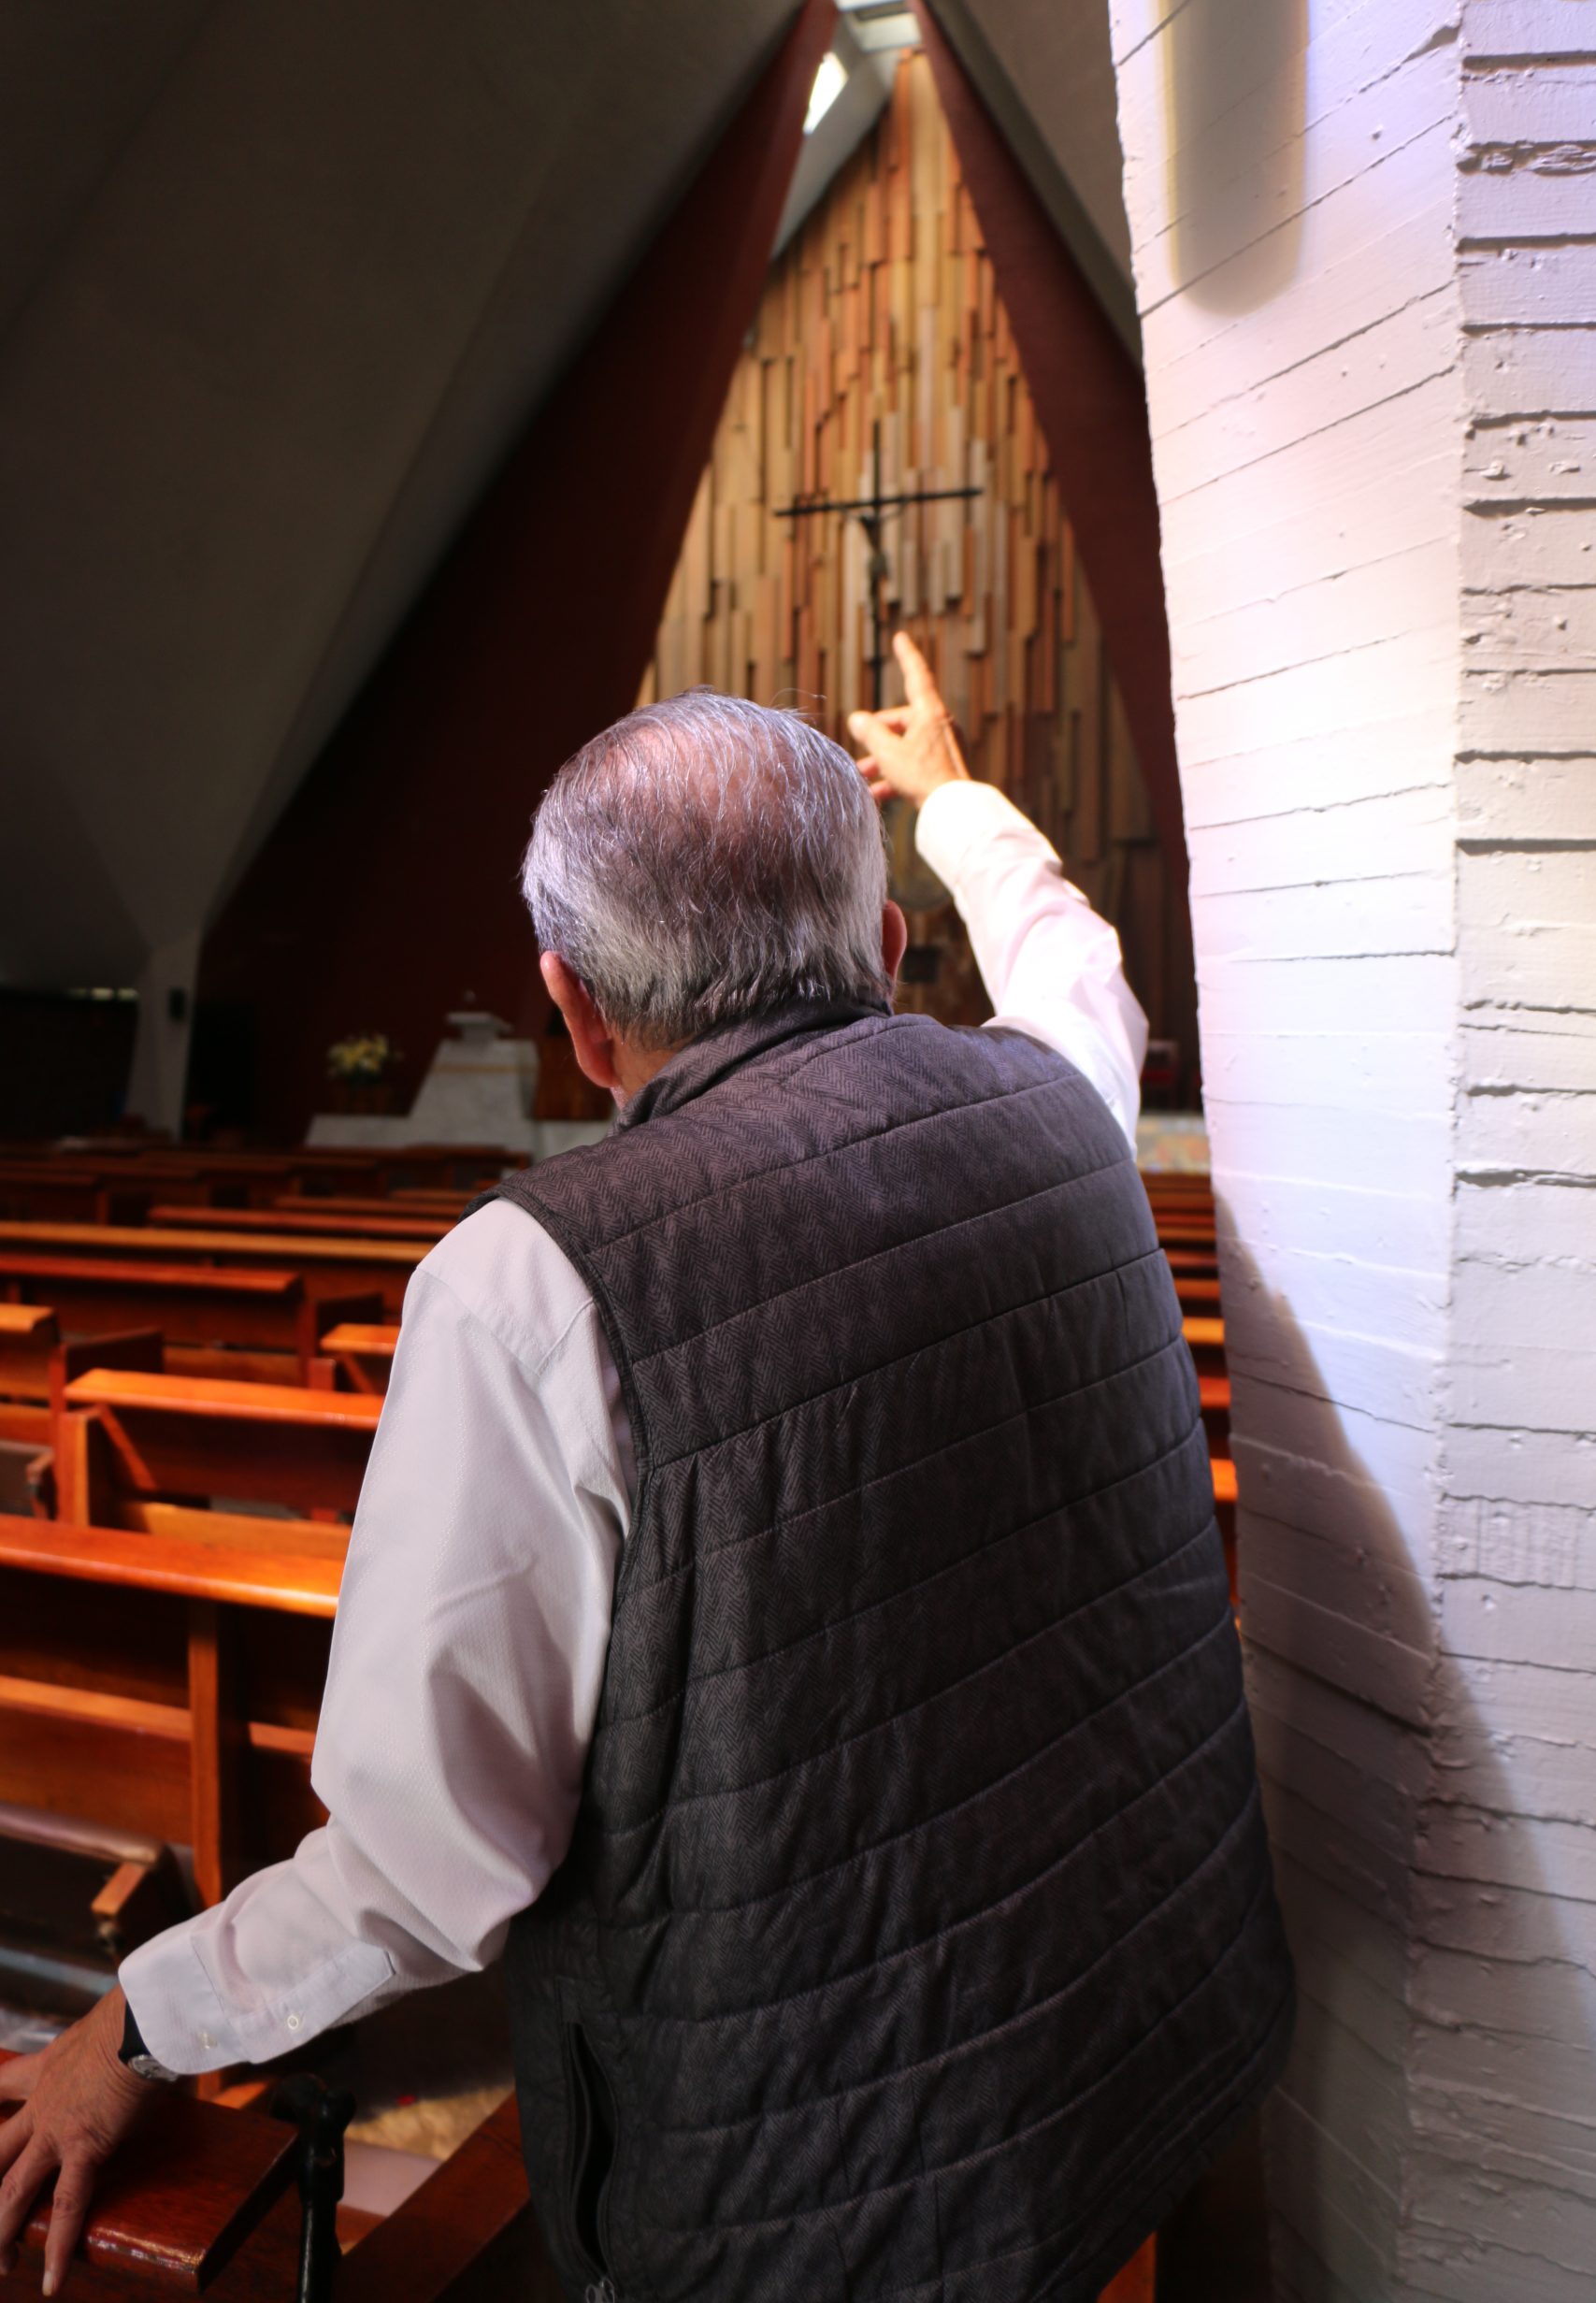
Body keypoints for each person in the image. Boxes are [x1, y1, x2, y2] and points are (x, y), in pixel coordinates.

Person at [0, 636, 1292, 2301]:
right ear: (890, 949)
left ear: (575, 1011)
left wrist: (139, 2022)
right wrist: (955, 796)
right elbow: (1074, 966)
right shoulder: (1056, 1104)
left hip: (811, 2204)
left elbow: (425, 1864)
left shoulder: (532, 1282)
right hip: (1144, 2045)